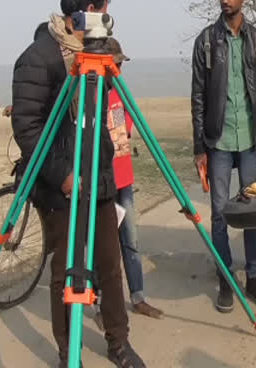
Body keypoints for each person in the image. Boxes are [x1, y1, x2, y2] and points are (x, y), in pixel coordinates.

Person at [11, 0, 145, 367]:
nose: (106, 20)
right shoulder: (38, 57)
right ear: (83, 13)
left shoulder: (95, 57)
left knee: (109, 264)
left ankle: (119, 343)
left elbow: (101, 115)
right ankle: (68, 350)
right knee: (67, 270)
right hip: (61, 186)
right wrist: (62, 175)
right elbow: (28, 128)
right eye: (102, 12)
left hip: (99, 177)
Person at [190, 0, 256, 313]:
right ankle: (226, 278)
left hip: (251, 144)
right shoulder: (206, 42)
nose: (225, 0)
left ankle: (254, 276)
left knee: (252, 211)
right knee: (219, 213)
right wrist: (200, 148)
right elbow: (197, 97)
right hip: (219, 143)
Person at [103, 37, 164, 320]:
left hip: (123, 179)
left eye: (120, 65)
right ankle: (101, 302)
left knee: (131, 241)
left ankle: (138, 296)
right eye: (114, 65)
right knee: (102, 248)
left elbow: (125, 127)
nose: (119, 71)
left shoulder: (121, 93)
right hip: (101, 183)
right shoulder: (90, 97)